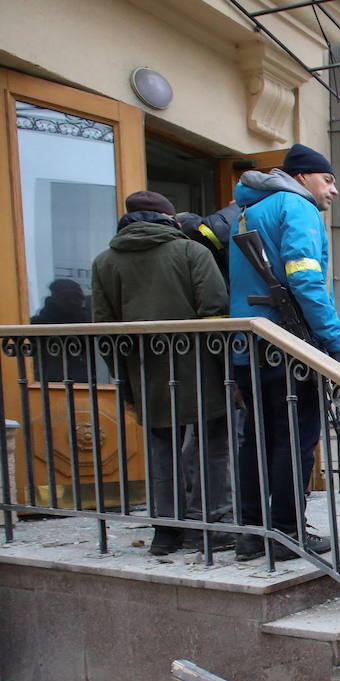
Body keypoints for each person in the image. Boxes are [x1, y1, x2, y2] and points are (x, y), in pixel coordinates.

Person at [90, 190, 231, 556]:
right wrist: (230, 374)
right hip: (201, 369)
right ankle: (210, 524)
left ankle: (165, 531)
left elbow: (105, 331)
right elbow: (215, 311)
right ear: (169, 218)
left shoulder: (105, 262)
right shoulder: (191, 252)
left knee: (161, 451)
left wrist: (125, 388)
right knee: (213, 447)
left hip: (144, 372)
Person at [228, 142, 340, 562]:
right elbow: (307, 282)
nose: (332, 191)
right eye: (327, 180)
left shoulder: (247, 210)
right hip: (287, 345)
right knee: (294, 440)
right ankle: (286, 531)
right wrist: (335, 343)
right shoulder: (296, 207)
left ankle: (250, 532)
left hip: (247, 344)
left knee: (256, 440)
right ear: (302, 177)